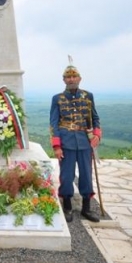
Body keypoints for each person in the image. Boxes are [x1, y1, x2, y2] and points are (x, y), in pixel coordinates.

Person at [49, 59, 102, 223]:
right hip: (66, 143)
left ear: (80, 78)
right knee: (67, 175)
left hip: (85, 142)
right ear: (63, 80)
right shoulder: (57, 99)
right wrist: (57, 146)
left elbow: (95, 117)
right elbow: (53, 124)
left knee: (86, 174)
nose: (71, 79)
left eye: (74, 76)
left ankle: (86, 207)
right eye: (67, 77)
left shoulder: (88, 96)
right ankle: (67, 207)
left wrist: (97, 135)